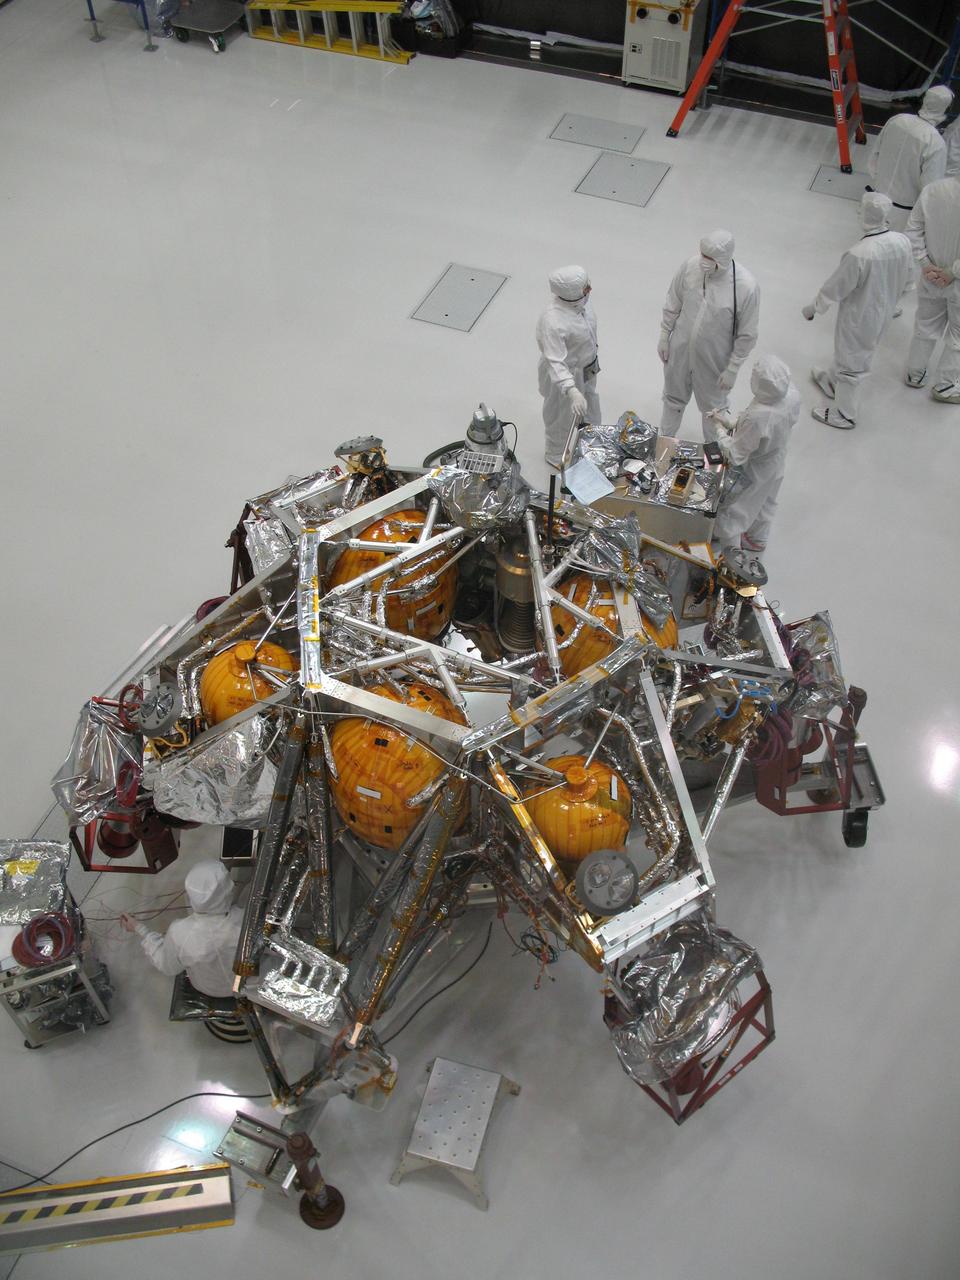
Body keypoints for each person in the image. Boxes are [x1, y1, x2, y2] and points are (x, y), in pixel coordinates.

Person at [802, 192, 912, 430]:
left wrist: (813, 308)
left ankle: (845, 414)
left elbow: (835, 288)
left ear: (867, 214)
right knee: (849, 353)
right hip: (884, 310)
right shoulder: (901, 241)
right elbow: (909, 276)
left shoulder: (860, 252)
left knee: (853, 360)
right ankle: (832, 382)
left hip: (859, 316)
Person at [658, 229, 760, 441]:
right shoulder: (690, 267)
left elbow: (747, 334)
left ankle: (713, 458)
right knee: (672, 399)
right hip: (680, 350)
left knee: (713, 412)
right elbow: (673, 300)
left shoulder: (745, 287)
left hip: (714, 360)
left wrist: (733, 368)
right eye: (702, 254)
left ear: (723, 259)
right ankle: (664, 443)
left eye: (709, 258)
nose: (703, 260)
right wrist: (664, 334)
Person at [708, 354, 800, 554]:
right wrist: (733, 423)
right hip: (777, 457)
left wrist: (719, 428)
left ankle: (731, 559)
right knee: (767, 499)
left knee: (735, 512)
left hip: (756, 468)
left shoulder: (757, 416)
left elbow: (735, 455)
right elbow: (764, 430)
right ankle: (757, 538)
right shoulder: (791, 394)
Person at [121, 860, 243, 998]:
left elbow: (167, 965)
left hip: (209, 989)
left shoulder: (179, 933)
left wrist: (140, 929)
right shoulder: (244, 919)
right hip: (246, 985)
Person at [536, 265, 600, 468]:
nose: (589, 289)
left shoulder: (582, 306)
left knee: (591, 410)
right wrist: (571, 391)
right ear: (571, 292)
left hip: (586, 369)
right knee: (561, 417)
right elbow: (555, 361)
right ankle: (555, 455)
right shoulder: (553, 321)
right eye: (585, 288)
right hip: (563, 378)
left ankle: (590, 445)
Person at [903, 173, 960, 401]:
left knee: (925, 326)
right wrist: (952, 272)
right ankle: (946, 386)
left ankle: (914, 374)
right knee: (958, 336)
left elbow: (913, 230)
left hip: (930, 277)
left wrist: (926, 264)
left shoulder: (933, 190)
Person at [867, 85, 952, 230]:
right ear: (944, 109)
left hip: (875, 199)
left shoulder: (897, 120)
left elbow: (875, 154)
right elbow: (930, 187)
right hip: (903, 214)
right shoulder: (935, 142)